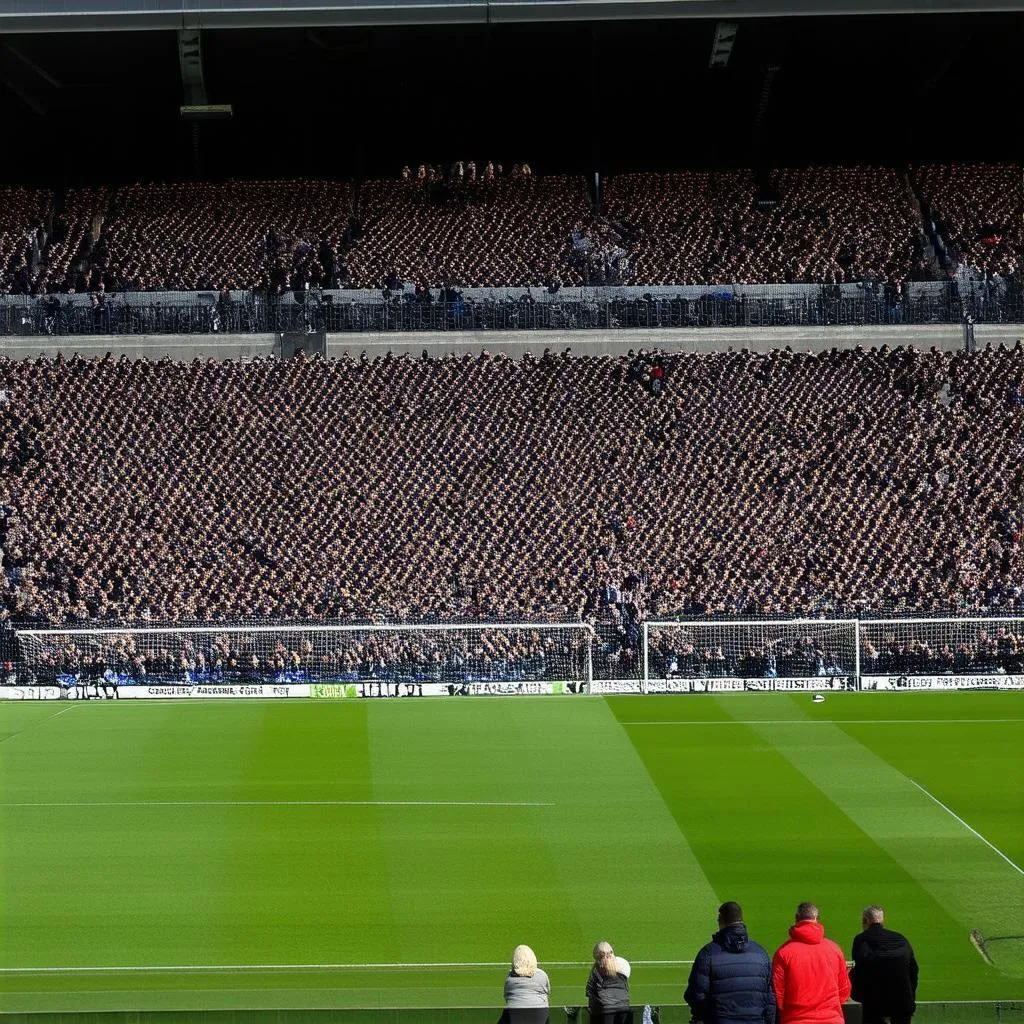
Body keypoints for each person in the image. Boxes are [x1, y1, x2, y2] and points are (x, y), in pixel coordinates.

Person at [684, 900, 775, 1024]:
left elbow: (696, 994)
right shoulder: (761, 954)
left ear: (720, 920)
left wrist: (703, 1017)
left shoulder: (708, 953)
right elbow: (770, 998)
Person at [772, 902, 850, 1024]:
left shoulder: (783, 952)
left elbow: (778, 994)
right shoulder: (834, 949)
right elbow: (844, 991)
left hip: (795, 1019)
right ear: (817, 919)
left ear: (797, 918)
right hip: (831, 1018)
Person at [850, 905, 918, 1024]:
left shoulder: (861, 939)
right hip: (903, 1002)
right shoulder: (900, 939)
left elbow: (860, 971)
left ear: (864, 921)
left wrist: (858, 997)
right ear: (882, 921)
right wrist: (910, 999)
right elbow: (913, 972)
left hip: (874, 1004)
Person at [502, 944, 550, 1024]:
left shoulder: (510, 978)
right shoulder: (542, 974)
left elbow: (506, 997)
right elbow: (547, 993)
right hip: (540, 1018)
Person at [586, 940, 632, 1024]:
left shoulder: (597, 969)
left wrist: (591, 1009)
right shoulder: (623, 963)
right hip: (623, 1005)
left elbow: (590, 991)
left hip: (605, 1009)